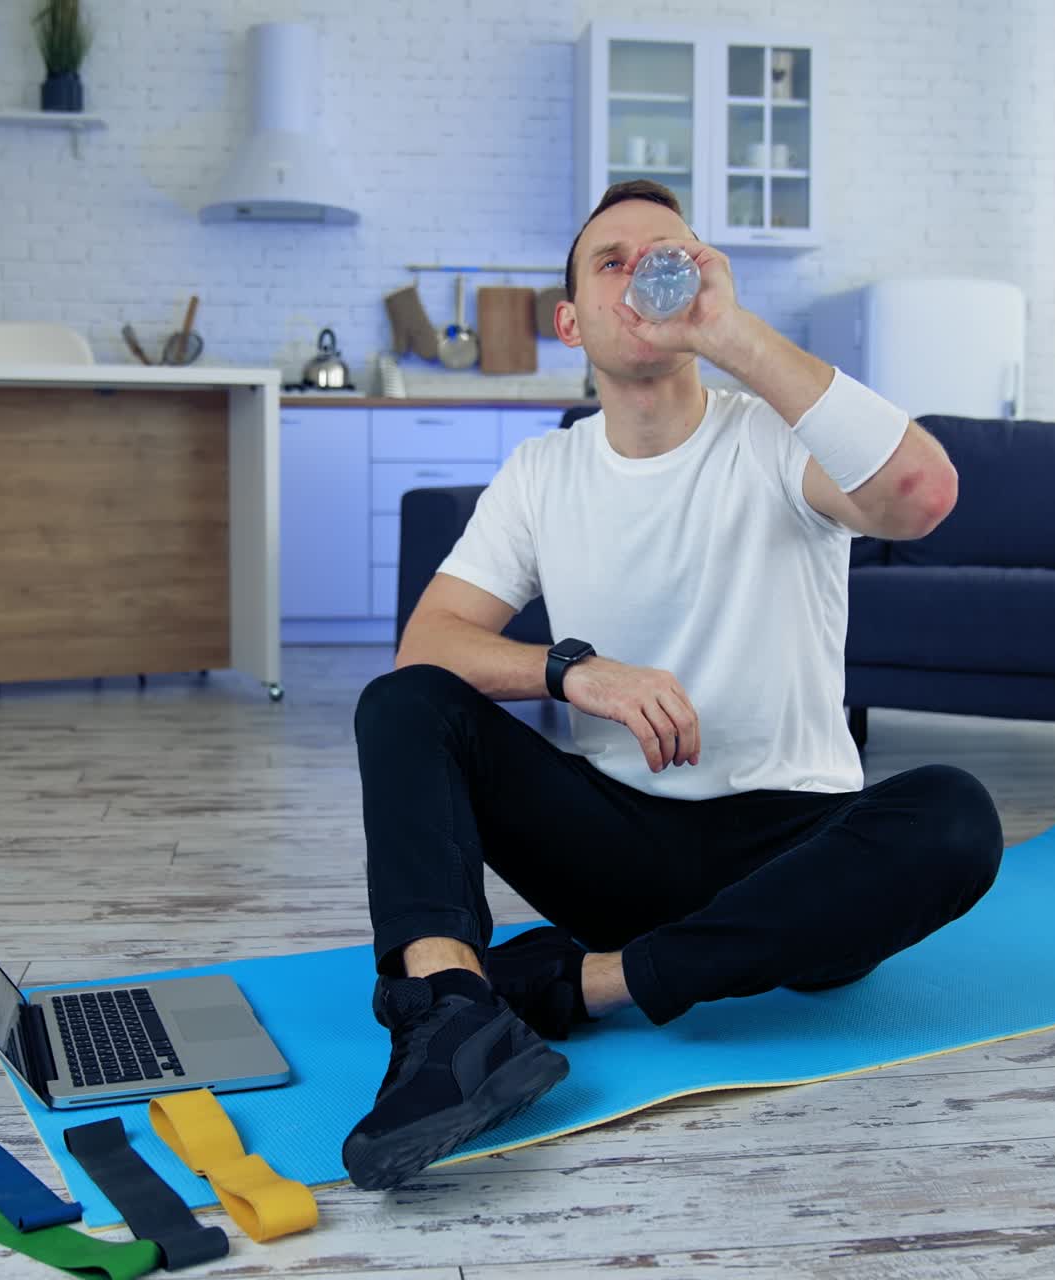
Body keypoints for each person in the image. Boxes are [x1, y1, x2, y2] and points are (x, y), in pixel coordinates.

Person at [340, 180, 1004, 1191]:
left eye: (671, 255)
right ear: (571, 321)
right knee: (405, 702)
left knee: (953, 813)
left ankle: (585, 986)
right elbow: (427, 644)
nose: (646, 276)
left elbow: (922, 496)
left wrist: (729, 331)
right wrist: (570, 668)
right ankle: (448, 1014)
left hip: (795, 848)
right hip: (617, 844)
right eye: (612, 261)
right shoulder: (540, 471)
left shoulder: (775, 436)